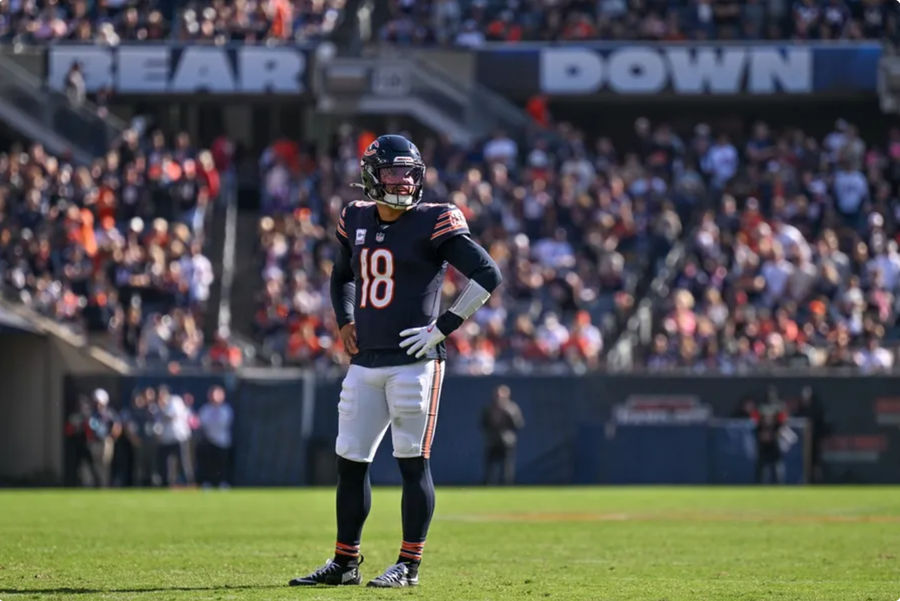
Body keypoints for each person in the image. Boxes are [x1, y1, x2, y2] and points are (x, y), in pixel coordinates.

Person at [290, 134, 502, 588]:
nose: (402, 182)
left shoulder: (435, 219)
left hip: (415, 361)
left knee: (412, 462)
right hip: (365, 361)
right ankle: (345, 563)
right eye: (392, 172)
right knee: (350, 462)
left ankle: (408, 565)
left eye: (409, 172)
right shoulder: (355, 216)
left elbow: (488, 273)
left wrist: (443, 326)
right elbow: (342, 276)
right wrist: (345, 319)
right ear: (370, 176)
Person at [481, 385, 525, 485]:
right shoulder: (489, 409)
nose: (499, 398)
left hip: (507, 441)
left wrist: (509, 415)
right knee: (490, 465)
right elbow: (483, 423)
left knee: (507, 465)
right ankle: (488, 484)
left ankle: (507, 484)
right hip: (492, 440)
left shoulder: (512, 408)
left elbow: (518, 424)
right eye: (497, 395)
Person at [198, 385, 234, 487]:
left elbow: (223, 424)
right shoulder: (205, 409)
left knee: (222, 464)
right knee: (209, 465)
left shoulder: (226, 409)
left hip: (222, 442)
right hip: (209, 442)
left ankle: (222, 482)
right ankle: (208, 482)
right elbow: (203, 423)